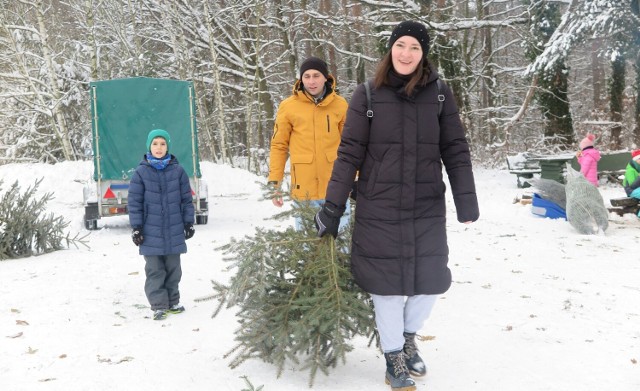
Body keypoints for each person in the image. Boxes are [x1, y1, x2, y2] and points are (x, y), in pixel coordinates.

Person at [314, 20, 479, 391]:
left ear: (424, 54)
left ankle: (407, 338)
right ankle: (393, 359)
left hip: (426, 206)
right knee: (387, 287)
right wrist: (332, 208)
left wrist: (465, 200)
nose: (406, 53)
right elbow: (348, 155)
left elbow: (455, 148)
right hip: (380, 206)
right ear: (390, 49)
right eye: (401, 45)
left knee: (431, 282)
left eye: (415, 47)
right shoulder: (367, 95)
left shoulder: (439, 94)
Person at [267, 56, 350, 229]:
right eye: (307, 76)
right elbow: (279, 146)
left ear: (326, 78)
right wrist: (275, 183)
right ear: (301, 79)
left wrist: (355, 179)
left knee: (340, 247)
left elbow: (350, 146)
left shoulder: (340, 105)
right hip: (304, 190)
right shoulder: (288, 107)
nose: (311, 81)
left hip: (336, 188)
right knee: (308, 250)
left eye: (316, 75)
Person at [128, 129, 195, 321]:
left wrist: (188, 222)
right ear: (149, 146)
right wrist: (137, 227)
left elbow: (186, 199)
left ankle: (173, 301)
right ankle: (158, 305)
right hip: (150, 232)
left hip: (174, 229)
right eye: (155, 143)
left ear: (168, 147)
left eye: (163, 144)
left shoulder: (178, 171)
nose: (159, 147)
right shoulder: (141, 172)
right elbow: (134, 202)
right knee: (155, 269)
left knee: (174, 268)